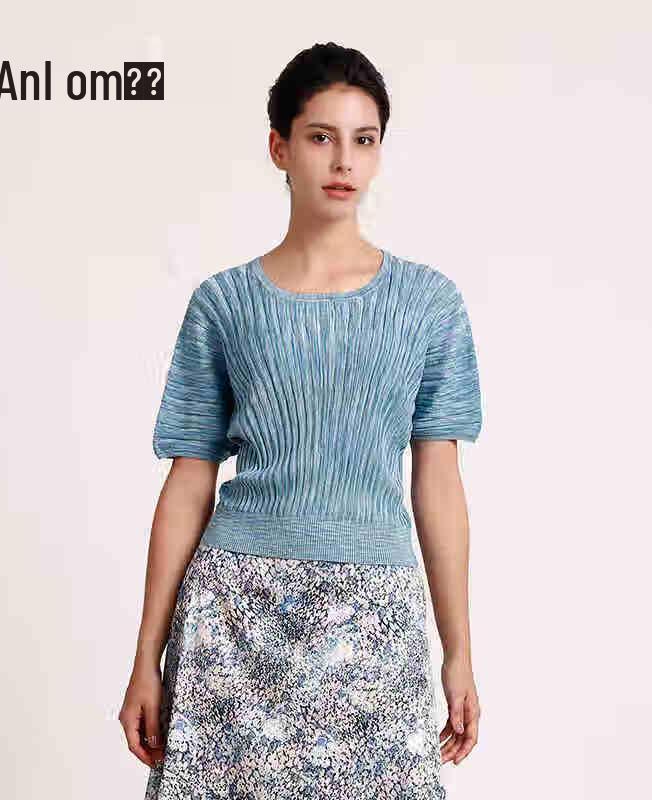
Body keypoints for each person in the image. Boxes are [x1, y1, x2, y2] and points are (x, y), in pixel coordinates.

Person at [119, 42, 483, 799]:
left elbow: (439, 485)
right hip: (233, 618)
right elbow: (188, 482)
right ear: (280, 148)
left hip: (375, 616)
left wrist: (458, 651)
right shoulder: (223, 305)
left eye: (364, 139)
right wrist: (145, 659)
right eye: (321, 137)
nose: (343, 160)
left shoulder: (429, 305)